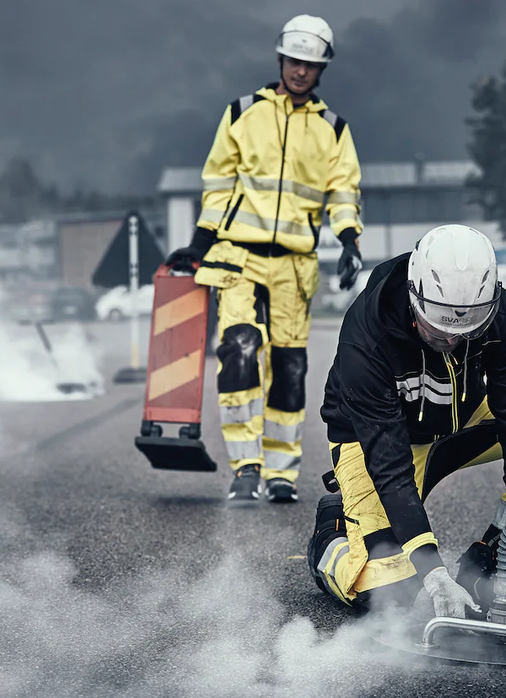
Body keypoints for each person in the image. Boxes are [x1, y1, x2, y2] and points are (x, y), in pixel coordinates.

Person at [307, 224, 506, 617]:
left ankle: (494, 557)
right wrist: (433, 574)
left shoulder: (501, 314)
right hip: (375, 441)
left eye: (468, 331)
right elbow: (389, 464)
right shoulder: (365, 338)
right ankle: (330, 540)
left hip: (463, 420)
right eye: (440, 329)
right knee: (388, 595)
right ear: (415, 299)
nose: (453, 341)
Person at [165, 14, 364, 504]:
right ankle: (246, 467)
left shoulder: (333, 130)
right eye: (295, 61)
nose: (301, 71)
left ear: (322, 70)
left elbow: (343, 191)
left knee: (290, 367)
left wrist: (349, 239)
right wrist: (200, 240)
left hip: (295, 268)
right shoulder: (241, 114)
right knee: (238, 350)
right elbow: (218, 184)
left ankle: (280, 473)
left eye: (311, 64)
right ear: (280, 59)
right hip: (238, 257)